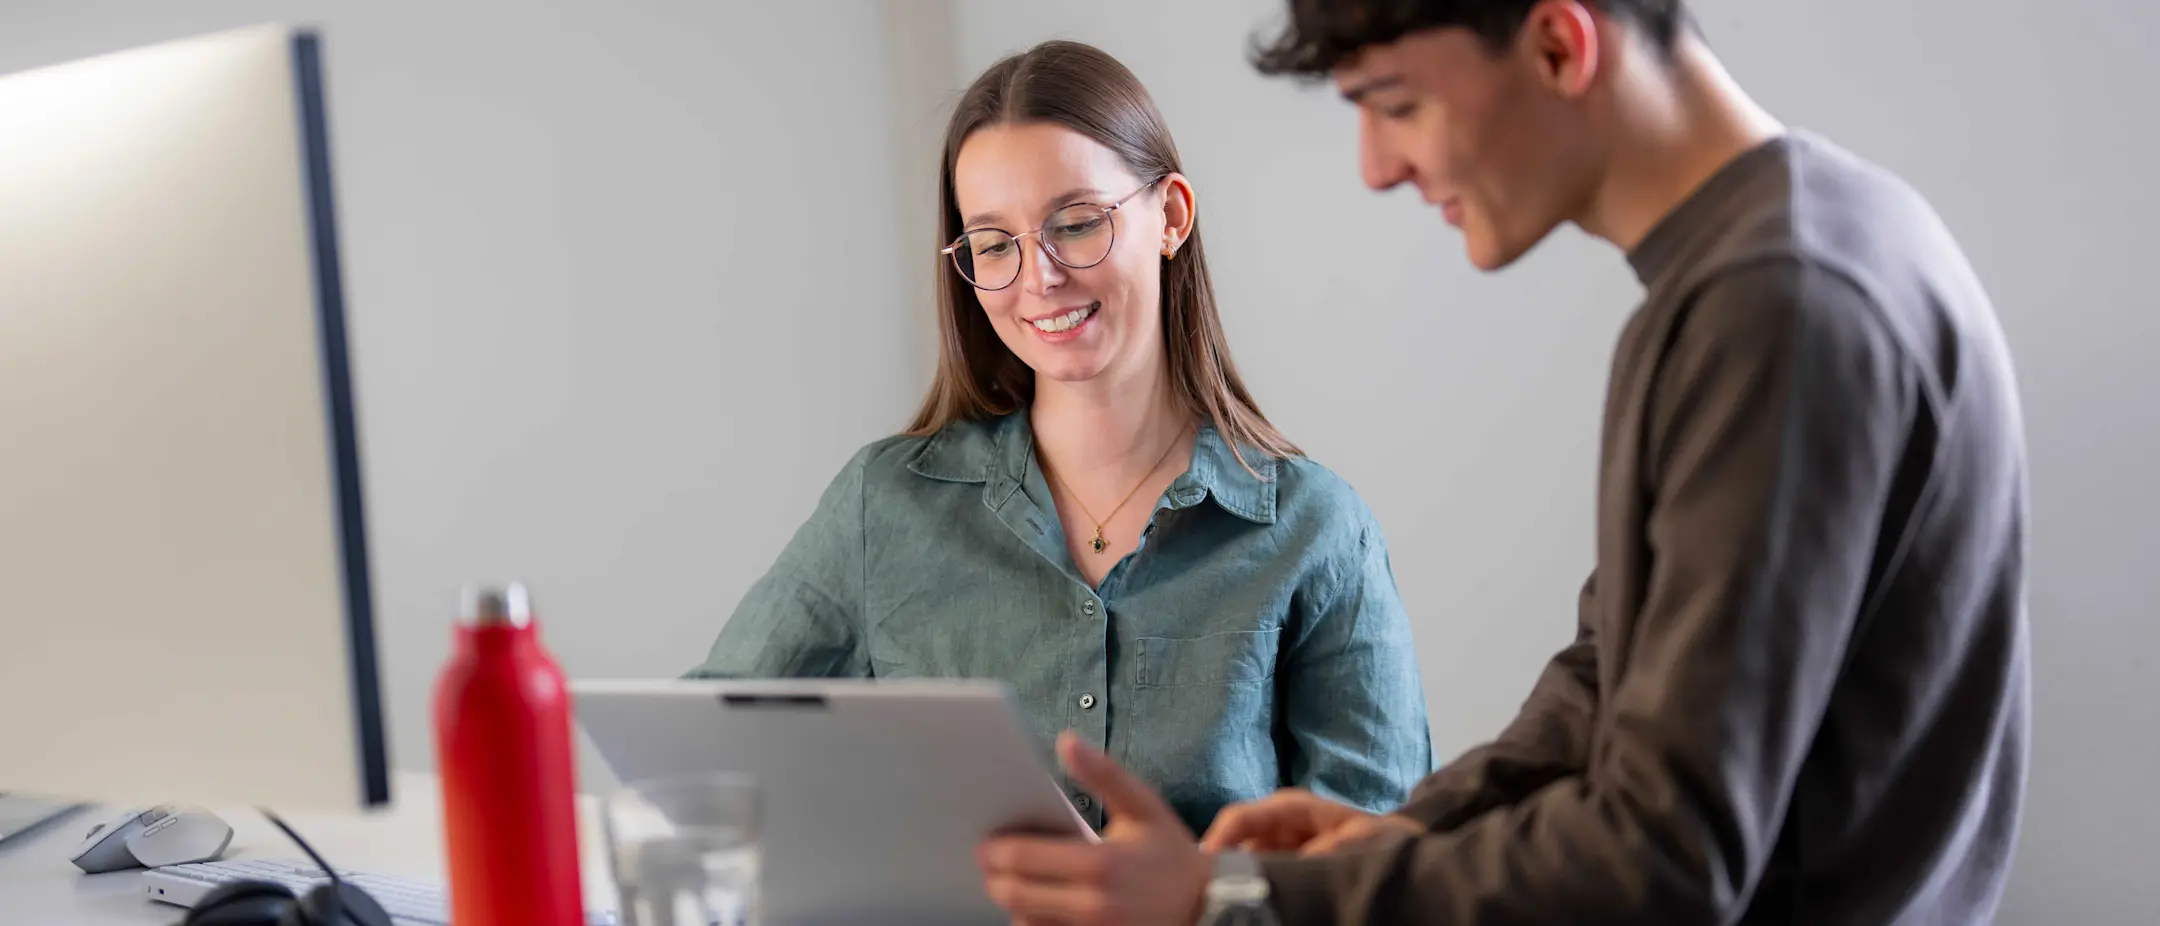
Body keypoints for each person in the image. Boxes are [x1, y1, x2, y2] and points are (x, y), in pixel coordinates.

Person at [975, 1, 2031, 924]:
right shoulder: (1788, 254)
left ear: (1559, 46)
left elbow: (1668, 854)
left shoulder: (1777, 303)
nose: (1377, 165)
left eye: (1397, 105)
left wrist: (1240, 899)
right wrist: (1401, 836)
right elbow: (1606, 677)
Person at [686, 39, 1435, 838]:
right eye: (994, 244)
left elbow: (1380, 872)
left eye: (1076, 224)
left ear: (1172, 216)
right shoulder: (886, 505)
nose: (1039, 278)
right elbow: (699, 760)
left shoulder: (1317, 530)